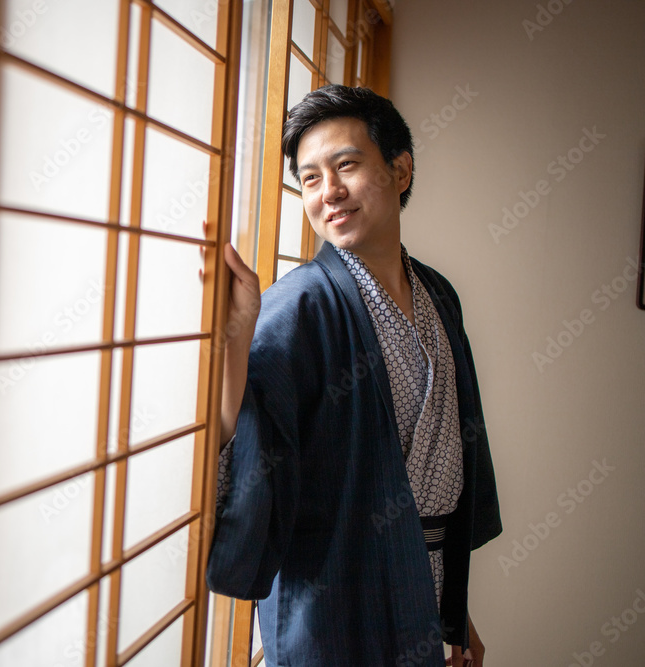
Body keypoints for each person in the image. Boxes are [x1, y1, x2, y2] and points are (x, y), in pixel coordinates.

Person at [203, 85, 502, 666]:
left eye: (345, 166)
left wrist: (456, 618)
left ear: (400, 169)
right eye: (310, 179)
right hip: (332, 600)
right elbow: (248, 450)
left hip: (423, 593)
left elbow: (444, 469)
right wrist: (235, 345)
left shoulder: (439, 295)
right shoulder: (297, 308)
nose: (329, 192)